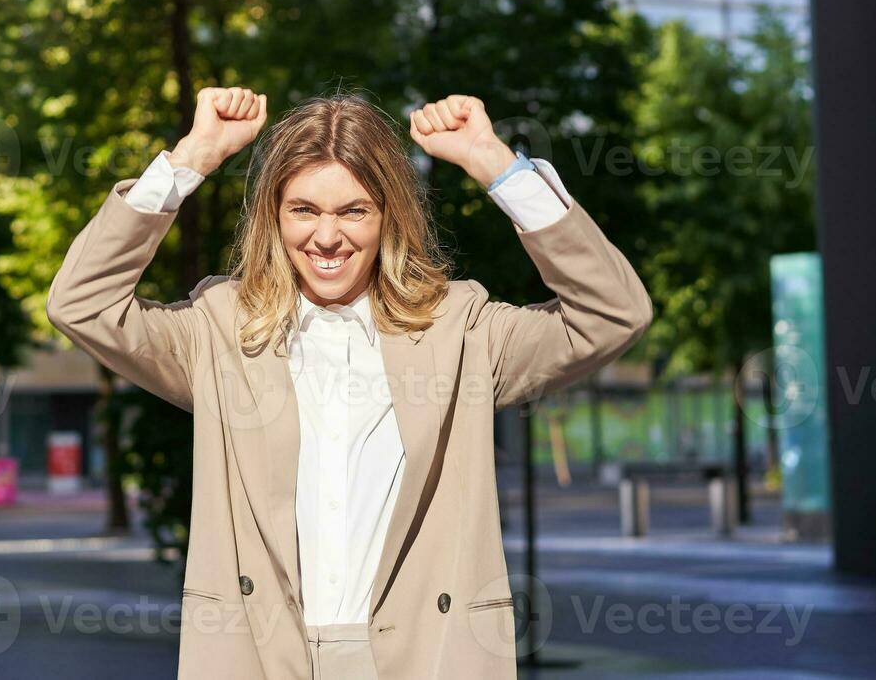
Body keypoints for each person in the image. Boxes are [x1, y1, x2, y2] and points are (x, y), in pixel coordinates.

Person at [46, 86, 652, 680]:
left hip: (424, 658)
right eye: (303, 209)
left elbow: (613, 313)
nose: (327, 237)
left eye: (353, 210)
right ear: (273, 216)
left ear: (389, 216)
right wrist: (190, 160)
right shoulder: (220, 329)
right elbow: (82, 303)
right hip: (257, 656)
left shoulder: (460, 328)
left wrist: (497, 166)